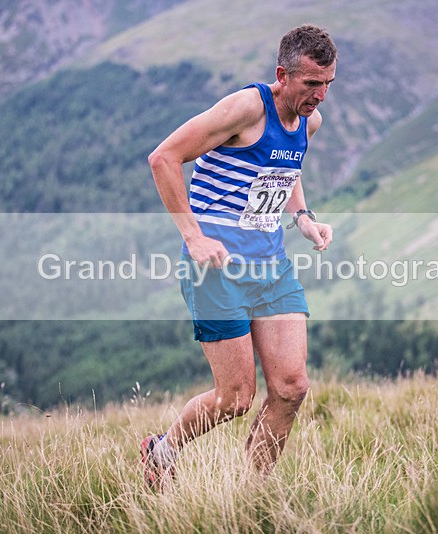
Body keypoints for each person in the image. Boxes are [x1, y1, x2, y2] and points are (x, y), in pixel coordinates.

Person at [144, 24, 337, 490]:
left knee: (291, 388)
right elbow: (163, 158)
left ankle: (251, 495)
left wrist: (303, 217)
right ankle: (162, 451)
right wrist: (193, 236)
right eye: (312, 83)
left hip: (272, 268)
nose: (320, 96)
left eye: (329, 83)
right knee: (234, 398)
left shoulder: (309, 121)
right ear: (282, 76)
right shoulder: (246, 108)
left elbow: (286, 167)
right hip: (217, 270)